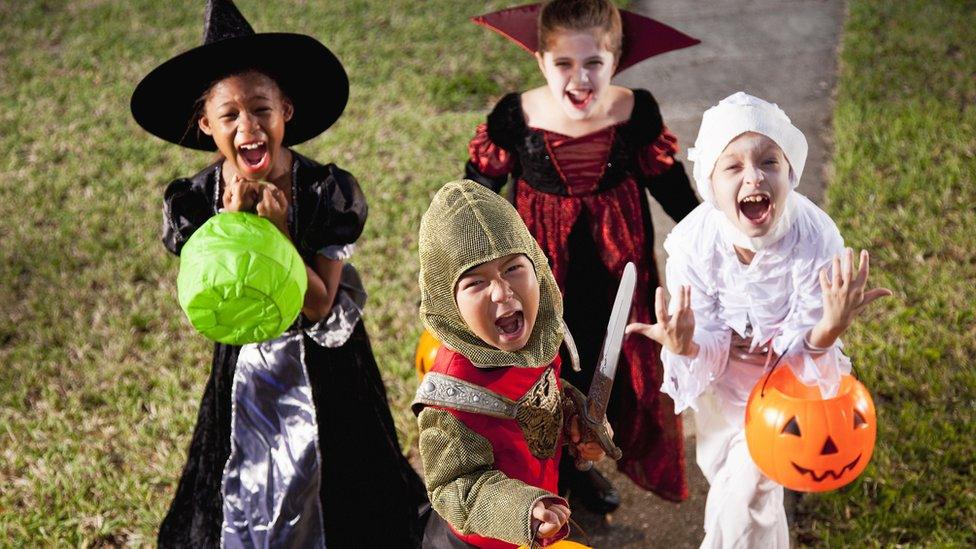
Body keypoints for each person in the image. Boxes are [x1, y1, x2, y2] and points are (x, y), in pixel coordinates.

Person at [130, 1, 426, 546]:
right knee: (239, 469)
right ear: (206, 125)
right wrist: (235, 224)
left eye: (261, 108)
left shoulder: (325, 192)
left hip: (327, 368)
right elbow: (209, 297)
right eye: (230, 116)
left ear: (286, 109)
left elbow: (317, 306)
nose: (249, 126)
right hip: (245, 365)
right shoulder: (196, 200)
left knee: (347, 486)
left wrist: (280, 234)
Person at [626, 92, 892, 547]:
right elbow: (705, 335)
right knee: (734, 488)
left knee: (750, 489)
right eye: (733, 166)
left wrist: (829, 327)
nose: (754, 175)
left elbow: (812, 336)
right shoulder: (693, 244)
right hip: (723, 384)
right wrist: (687, 344)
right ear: (711, 183)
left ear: (791, 172)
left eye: (769, 162)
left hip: (789, 386)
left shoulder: (815, 236)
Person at [465, 0, 699, 509]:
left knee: (605, 371)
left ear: (615, 60)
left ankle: (583, 466)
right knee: (547, 374)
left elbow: (670, 185)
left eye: (594, 63)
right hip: (541, 275)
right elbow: (476, 193)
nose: (580, 78)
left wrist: (713, 234)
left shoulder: (634, 113)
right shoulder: (516, 117)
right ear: (541, 61)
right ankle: (547, 483)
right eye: (563, 64)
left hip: (616, 273)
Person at [413, 180, 611, 548]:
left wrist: (576, 417)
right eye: (475, 283)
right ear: (448, 303)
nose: (502, 292)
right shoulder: (451, 397)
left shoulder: (536, 335)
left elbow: (537, 393)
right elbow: (456, 486)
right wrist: (520, 509)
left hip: (541, 510)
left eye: (513, 268)